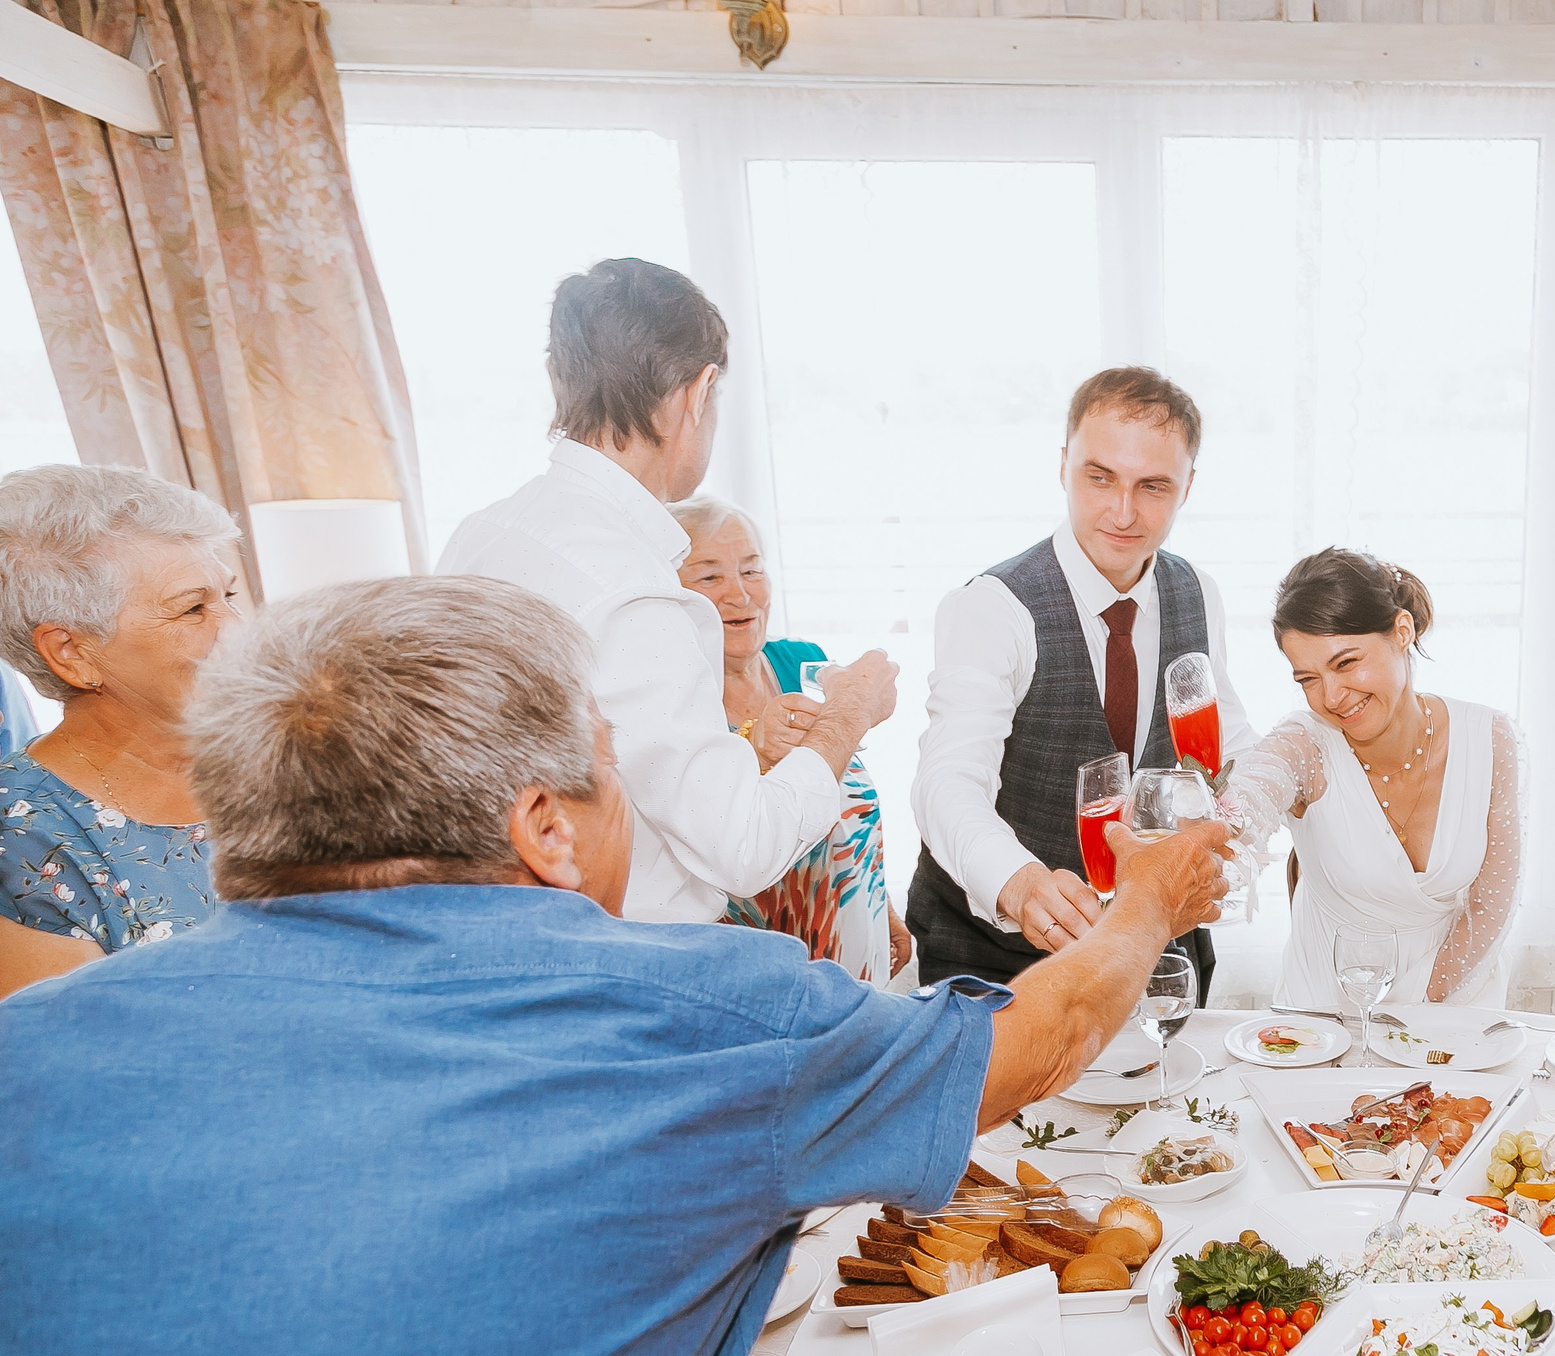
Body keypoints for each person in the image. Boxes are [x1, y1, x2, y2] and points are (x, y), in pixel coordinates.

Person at [0, 575, 1230, 1356]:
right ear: (544, 826)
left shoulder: (30, 1048)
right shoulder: (695, 1016)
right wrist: (1148, 903)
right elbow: (1037, 1040)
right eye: (612, 758)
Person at [438, 257, 898, 925]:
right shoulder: (634, 592)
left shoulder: (481, 533)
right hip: (631, 962)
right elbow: (743, 843)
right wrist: (846, 716)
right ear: (699, 390)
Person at [910, 366, 1256, 991]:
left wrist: (1245, 823)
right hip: (999, 959)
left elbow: (1226, 741)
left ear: (1188, 487)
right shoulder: (992, 609)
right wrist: (1018, 882)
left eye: (1153, 486)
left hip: (1159, 950)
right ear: (1063, 463)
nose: (1122, 512)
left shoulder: (1198, 593)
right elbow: (946, 784)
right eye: (1100, 477)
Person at [1219, 548, 1520, 1007]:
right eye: (1308, 678)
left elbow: (1491, 904)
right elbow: (1255, 789)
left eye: (1344, 663)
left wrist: (1420, 1014)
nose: (1332, 697)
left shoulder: (1490, 738)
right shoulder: (1306, 743)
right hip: (1327, 1019)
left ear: (1402, 631)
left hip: (1454, 1004)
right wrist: (1216, 823)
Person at [0, 464, 240, 998]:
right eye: (193, 609)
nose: (238, 630)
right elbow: (68, 1064)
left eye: (230, 597)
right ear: (72, 653)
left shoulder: (297, 754)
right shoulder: (22, 839)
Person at [671, 494, 911, 983]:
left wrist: (875, 900)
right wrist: (753, 745)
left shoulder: (805, 662)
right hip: (756, 962)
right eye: (709, 576)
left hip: (849, 932)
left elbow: (841, 802)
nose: (739, 595)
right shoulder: (675, 700)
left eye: (752, 571)